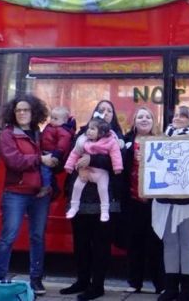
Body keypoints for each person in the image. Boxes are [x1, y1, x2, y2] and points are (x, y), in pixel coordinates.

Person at [60, 100, 124, 300]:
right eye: (101, 109)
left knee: (101, 245)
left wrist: (93, 160)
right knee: (81, 243)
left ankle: (97, 286)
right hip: (80, 198)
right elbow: (73, 155)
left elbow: (119, 164)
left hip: (105, 199)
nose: (105, 113)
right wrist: (78, 167)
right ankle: (82, 280)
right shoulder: (82, 134)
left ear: (113, 116)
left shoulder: (117, 137)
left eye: (109, 110)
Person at [0, 94, 56, 296]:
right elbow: (15, 161)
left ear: (33, 112)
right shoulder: (7, 135)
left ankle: (36, 280)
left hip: (40, 193)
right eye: (18, 110)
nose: (22, 113)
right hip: (16, 192)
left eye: (26, 110)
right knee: (9, 236)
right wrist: (41, 159)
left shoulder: (40, 133)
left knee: (37, 237)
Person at [153, 105, 189, 301]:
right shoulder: (161, 139)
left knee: (188, 243)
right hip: (165, 199)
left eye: (183, 115)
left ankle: (187, 289)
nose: (177, 118)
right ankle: (171, 288)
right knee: (170, 243)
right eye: (175, 115)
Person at [120, 106, 165, 294]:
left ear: (153, 121)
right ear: (134, 122)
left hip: (155, 202)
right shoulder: (126, 142)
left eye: (148, 117)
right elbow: (119, 167)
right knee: (134, 243)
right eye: (140, 117)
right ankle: (134, 282)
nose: (144, 120)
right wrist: (131, 155)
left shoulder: (161, 141)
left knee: (156, 244)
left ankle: (160, 285)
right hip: (132, 200)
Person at [65, 117, 123, 222]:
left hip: (101, 173)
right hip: (85, 171)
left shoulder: (111, 142)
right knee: (77, 186)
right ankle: (74, 206)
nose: (88, 131)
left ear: (101, 133)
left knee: (103, 189)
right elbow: (75, 153)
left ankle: (105, 210)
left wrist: (117, 167)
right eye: (89, 128)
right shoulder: (83, 140)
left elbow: (116, 155)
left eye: (92, 129)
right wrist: (69, 166)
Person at [38, 105, 75, 198]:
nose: (52, 120)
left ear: (64, 121)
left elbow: (62, 145)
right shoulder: (50, 127)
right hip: (45, 152)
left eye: (56, 119)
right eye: (51, 118)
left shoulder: (63, 131)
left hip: (54, 154)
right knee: (45, 171)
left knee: (45, 169)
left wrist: (56, 156)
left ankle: (46, 187)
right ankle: (54, 187)